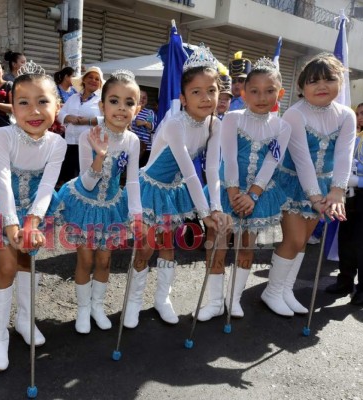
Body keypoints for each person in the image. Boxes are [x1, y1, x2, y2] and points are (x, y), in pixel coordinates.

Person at [121, 45, 232, 329]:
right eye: (196, 92)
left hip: (174, 190)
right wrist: (204, 212)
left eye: (211, 90)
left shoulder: (215, 124)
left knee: (169, 246)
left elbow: (212, 169)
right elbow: (190, 172)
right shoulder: (174, 125)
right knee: (146, 248)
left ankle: (163, 299)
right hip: (151, 188)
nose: (206, 98)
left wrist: (216, 207)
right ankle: (133, 302)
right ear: (183, 98)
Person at [0, 61, 67, 372]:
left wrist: (33, 221)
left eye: (43, 101)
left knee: (27, 260)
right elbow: (0, 180)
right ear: (12, 106)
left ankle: (25, 319)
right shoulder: (2, 135)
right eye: (23, 102)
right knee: (8, 265)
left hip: (35, 209)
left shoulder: (58, 143)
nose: (34, 111)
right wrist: (13, 223)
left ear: (58, 105)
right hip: (3, 205)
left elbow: (48, 186)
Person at [196, 57, 291, 321]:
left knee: (246, 247)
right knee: (217, 245)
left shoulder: (283, 127)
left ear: (279, 93)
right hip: (229, 190)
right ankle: (215, 301)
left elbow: (272, 162)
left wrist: (252, 195)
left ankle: (233, 299)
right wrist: (234, 194)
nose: (262, 97)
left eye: (269, 91)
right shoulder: (233, 119)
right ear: (243, 92)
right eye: (254, 91)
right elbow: (228, 155)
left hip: (257, 196)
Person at [261, 53, 356, 316]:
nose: (321, 85)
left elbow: (343, 155)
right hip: (293, 183)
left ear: (340, 83)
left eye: (329, 79)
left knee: (303, 241)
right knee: (294, 238)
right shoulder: (295, 113)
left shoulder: (347, 115)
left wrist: (337, 192)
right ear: (302, 88)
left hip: (325, 187)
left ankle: (285, 289)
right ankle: (272, 291)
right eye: (313, 81)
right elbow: (302, 159)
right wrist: (316, 197)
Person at [56, 70, 142, 334]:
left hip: (113, 207)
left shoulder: (133, 140)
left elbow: (133, 181)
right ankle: (82, 309)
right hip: (86, 204)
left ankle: (97, 306)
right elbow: (87, 183)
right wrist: (100, 155)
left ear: (137, 110)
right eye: (114, 101)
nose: (121, 108)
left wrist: (136, 216)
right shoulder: (87, 136)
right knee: (85, 260)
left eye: (129, 103)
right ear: (102, 105)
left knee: (105, 262)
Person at [326, 100, 363, 306]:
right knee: (346, 239)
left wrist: (358, 181)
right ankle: (344, 280)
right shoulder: (355, 137)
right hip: (349, 195)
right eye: (358, 113)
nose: (359, 117)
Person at [57, 66, 104, 183]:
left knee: (83, 176)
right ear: (84, 80)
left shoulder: (101, 101)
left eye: (97, 79)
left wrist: (88, 121)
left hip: (89, 144)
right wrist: (68, 117)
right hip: (70, 143)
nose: (93, 80)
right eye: (90, 77)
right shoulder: (73, 97)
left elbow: (107, 119)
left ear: (100, 84)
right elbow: (60, 114)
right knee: (68, 177)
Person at [130, 89, 156, 167]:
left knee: (139, 171)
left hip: (145, 149)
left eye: (145, 98)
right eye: (140, 97)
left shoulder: (149, 113)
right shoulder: (130, 110)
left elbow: (154, 127)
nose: (142, 99)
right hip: (130, 145)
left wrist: (144, 123)